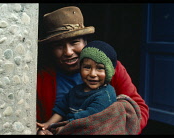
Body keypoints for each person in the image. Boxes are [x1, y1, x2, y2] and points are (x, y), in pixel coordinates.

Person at [37, 6, 149, 134]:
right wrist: (43, 130)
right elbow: (37, 121)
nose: (68, 52)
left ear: (85, 42)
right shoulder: (42, 79)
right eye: (58, 45)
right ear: (51, 50)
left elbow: (139, 110)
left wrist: (117, 129)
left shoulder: (112, 69)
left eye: (74, 42)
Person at [37, 40, 118, 135]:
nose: (92, 74)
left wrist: (63, 128)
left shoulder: (106, 95)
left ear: (108, 72)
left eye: (99, 68)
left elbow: (86, 118)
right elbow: (62, 108)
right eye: (87, 67)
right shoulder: (76, 90)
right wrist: (48, 125)